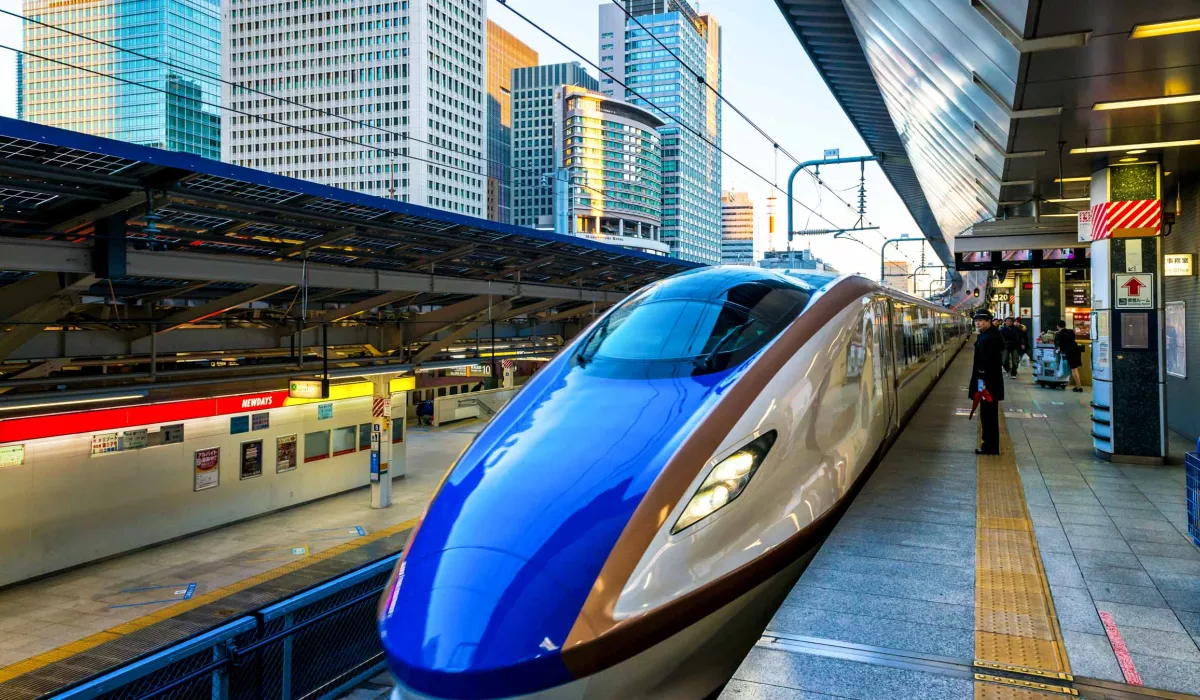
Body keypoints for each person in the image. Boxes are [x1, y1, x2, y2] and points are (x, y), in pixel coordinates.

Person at [970, 309, 1005, 455]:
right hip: (988, 381)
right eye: (976, 320)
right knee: (987, 413)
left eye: (981, 320)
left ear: (989, 321)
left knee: (988, 414)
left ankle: (990, 446)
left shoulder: (990, 337)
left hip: (987, 383)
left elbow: (986, 362)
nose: (978, 322)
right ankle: (989, 444)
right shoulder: (989, 334)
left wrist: (981, 384)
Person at [1054, 320, 1084, 393]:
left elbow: (1058, 346)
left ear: (1058, 326)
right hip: (1076, 350)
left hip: (1069, 352)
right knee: (1074, 368)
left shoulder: (1058, 334)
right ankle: (1077, 385)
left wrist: (1058, 350)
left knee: (1074, 369)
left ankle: (1079, 387)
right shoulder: (1071, 331)